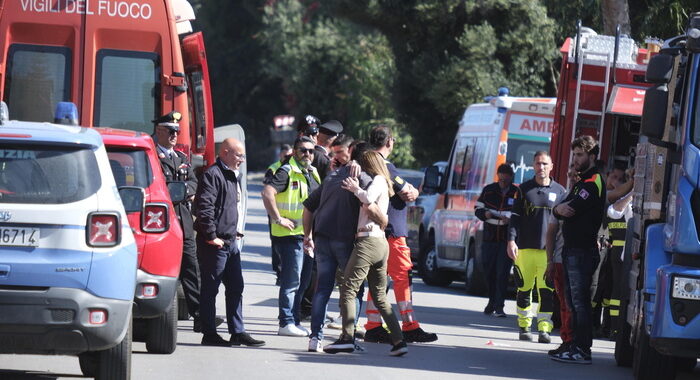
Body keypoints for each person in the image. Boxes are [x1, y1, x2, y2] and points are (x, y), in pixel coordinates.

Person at [324, 150, 408, 356]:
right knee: (379, 296)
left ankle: (346, 338)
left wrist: (355, 188)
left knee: (348, 288)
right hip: (379, 243)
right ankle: (398, 342)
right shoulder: (383, 182)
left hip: (368, 241)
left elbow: (368, 199)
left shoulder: (378, 179)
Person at [362, 125, 438, 344]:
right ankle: (409, 325)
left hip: (377, 231)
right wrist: (413, 191)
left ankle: (374, 325)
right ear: (389, 142)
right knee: (403, 276)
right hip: (392, 232)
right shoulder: (385, 165)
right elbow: (408, 191)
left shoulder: (367, 164)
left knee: (378, 279)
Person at [302, 138, 374, 352]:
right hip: (345, 240)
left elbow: (308, 207)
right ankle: (348, 337)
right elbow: (373, 204)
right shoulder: (364, 178)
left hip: (322, 237)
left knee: (322, 289)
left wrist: (308, 235)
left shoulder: (332, 176)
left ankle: (315, 338)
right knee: (354, 289)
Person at [194, 138, 265, 347]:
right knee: (210, 289)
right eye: (238, 155)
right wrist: (211, 236)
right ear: (225, 153)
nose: (242, 160)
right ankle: (209, 334)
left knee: (236, 287)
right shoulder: (213, 175)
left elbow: (231, 209)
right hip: (215, 244)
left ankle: (238, 331)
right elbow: (204, 209)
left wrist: (236, 232)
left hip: (231, 242)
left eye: (243, 155)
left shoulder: (233, 175)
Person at [551, 135, 606, 364]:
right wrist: (557, 209)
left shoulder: (593, 182)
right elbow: (559, 210)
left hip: (582, 252)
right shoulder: (582, 181)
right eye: (574, 154)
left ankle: (582, 350)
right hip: (572, 250)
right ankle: (573, 345)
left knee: (580, 303)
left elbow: (570, 209)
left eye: (580, 155)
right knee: (573, 303)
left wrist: (558, 209)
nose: (575, 159)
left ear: (592, 156)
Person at [152, 111, 207, 332]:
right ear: (159, 131)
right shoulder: (153, 156)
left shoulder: (181, 158)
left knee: (192, 268)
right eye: (171, 131)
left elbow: (194, 182)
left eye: (178, 131)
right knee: (164, 268)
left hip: (183, 220)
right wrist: (176, 192)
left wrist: (181, 191)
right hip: (162, 220)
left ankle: (201, 315)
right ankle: (160, 314)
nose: (175, 135)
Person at [262, 136, 321, 337]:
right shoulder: (286, 171)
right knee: (291, 281)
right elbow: (267, 193)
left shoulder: (312, 172)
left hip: (306, 237)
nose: (307, 154)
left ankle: (294, 320)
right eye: (303, 150)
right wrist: (278, 219)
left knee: (304, 282)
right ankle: (285, 322)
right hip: (289, 236)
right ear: (295, 152)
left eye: (311, 151)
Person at [507, 152, 566, 343]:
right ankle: (524, 326)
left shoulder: (560, 192)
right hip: (524, 249)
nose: (541, 167)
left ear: (551, 166)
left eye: (545, 164)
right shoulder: (523, 189)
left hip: (547, 252)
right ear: (533, 165)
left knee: (546, 291)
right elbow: (514, 218)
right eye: (538, 164)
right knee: (524, 289)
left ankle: (544, 329)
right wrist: (511, 241)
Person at [594, 167, 634, 340]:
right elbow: (613, 211)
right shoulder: (626, 199)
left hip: (634, 252)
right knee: (615, 290)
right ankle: (614, 329)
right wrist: (632, 192)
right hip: (619, 252)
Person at [475, 163, 518, 318]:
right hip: (489, 238)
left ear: (511, 178)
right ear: (498, 177)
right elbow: (477, 209)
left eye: (506, 181)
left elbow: (520, 214)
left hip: (506, 240)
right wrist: (484, 214)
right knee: (489, 271)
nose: (503, 183)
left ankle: (499, 306)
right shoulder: (489, 190)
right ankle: (491, 301)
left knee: (502, 273)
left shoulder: (516, 193)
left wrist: (511, 220)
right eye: (501, 180)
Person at [545, 164, 578, 358]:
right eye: (570, 174)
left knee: (575, 304)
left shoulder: (589, 198)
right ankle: (567, 341)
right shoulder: (561, 199)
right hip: (559, 259)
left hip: (578, 259)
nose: (573, 178)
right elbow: (550, 233)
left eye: (576, 175)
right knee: (564, 304)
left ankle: (574, 341)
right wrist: (549, 261)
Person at [266, 143, 293, 284]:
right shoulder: (274, 168)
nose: (287, 157)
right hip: (275, 213)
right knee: (276, 244)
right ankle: (279, 272)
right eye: (285, 155)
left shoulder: (295, 169)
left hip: (292, 215)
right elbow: (267, 190)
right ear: (280, 155)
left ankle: (285, 272)